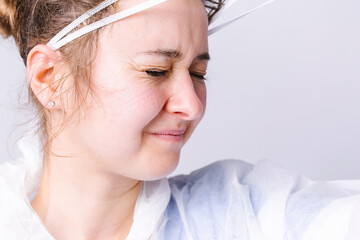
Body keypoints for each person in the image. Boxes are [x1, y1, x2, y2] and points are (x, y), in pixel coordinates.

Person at [0, 0, 360, 239]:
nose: (192, 105)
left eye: (197, 72)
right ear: (51, 78)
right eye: (156, 71)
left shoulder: (246, 215)